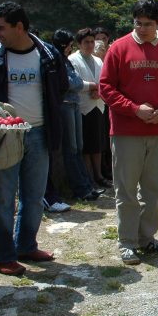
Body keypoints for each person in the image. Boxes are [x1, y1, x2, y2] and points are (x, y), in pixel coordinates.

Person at [0, 1, 68, 276]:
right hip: (5, 136)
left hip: (39, 133)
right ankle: (3, 255)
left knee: (34, 196)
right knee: (2, 197)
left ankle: (26, 245)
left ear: (19, 27)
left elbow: (60, 87)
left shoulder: (48, 54)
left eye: (1, 28)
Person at [99, 0, 158, 266]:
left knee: (153, 188)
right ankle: (127, 242)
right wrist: (134, 109)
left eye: (147, 24)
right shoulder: (119, 48)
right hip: (127, 130)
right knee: (126, 189)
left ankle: (146, 237)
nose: (141, 29)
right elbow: (106, 87)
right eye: (137, 23)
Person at [50, 28, 102, 202]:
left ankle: (86, 185)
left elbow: (76, 81)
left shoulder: (64, 61)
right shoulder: (57, 61)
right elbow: (71, 82)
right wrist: (91, 86)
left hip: (74, 104)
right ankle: (81, 188)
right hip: (65, 105)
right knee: (71, 148)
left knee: (78, 147)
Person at [70, 27, 110, 188]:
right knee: (86, 145)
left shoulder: (98, 61)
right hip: (84, 106)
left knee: (98, 143)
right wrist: (93, 88)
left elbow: (105, 81)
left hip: (98, 105)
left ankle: (99, 175)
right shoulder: (74, 60)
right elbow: (75, 83)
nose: (90, 45)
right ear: (79, 44)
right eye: (86, 42)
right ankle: (90, 177)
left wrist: (99, 91)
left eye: (92, 41)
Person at [93, 26, 114, 183]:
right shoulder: (93, 56)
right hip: (97, 102)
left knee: (110, 136)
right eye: (97, 38)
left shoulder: (113, 53)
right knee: (100, 137)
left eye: (103, 38)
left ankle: (110, 168)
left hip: (111, 101)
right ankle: (103, 170)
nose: (100, 41)